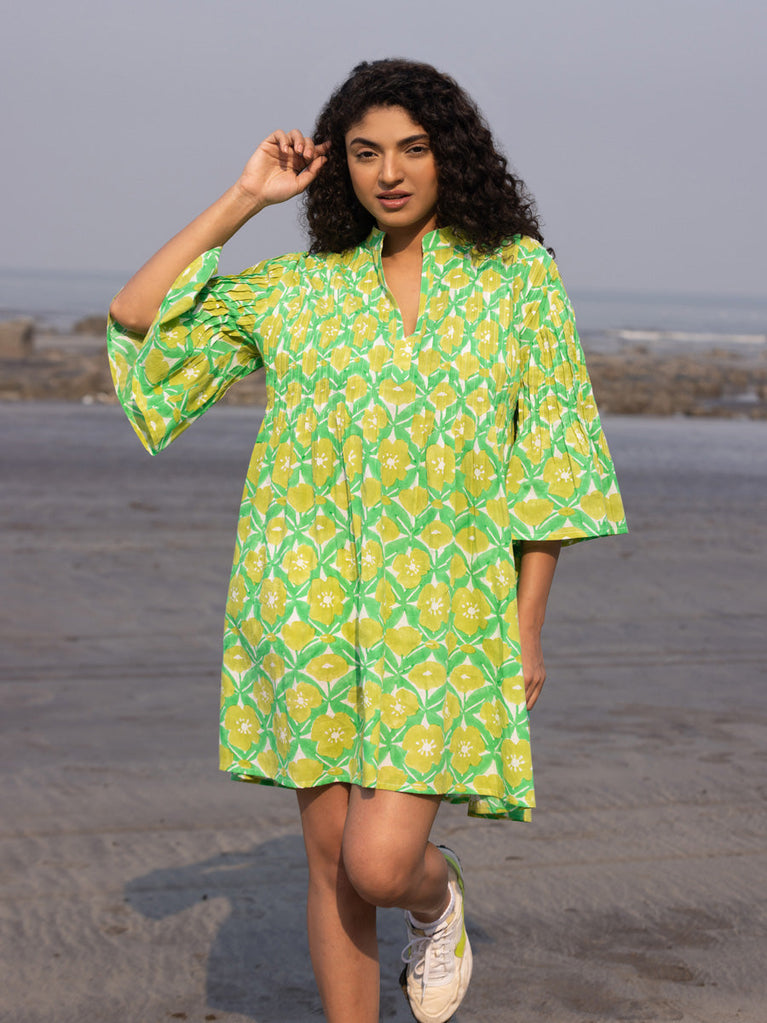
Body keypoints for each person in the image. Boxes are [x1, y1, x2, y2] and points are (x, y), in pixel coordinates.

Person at [108, 57, 627, 1023]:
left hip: (445, 603)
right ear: (337, 166)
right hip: (302, 596)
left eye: (412, 149)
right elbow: (138, 317)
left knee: (380, 863)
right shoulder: (301, 291)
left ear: (449, 156)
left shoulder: (515, 276)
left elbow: (551, 457)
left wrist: (526, 624)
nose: (389, 172)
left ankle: (436, 896)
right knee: (327, 860)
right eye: (364, 153)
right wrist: (246, 196)